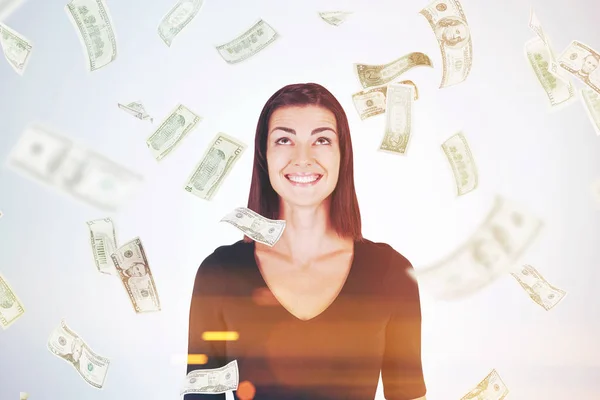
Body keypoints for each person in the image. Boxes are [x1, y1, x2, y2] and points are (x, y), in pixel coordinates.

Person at [185, 83, 427, 400]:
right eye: (284, 140)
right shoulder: (218, 275)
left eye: (321, 140)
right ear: (264, 155)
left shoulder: (392, 272)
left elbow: (407, 395)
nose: (303, 158)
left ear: (343, 155)